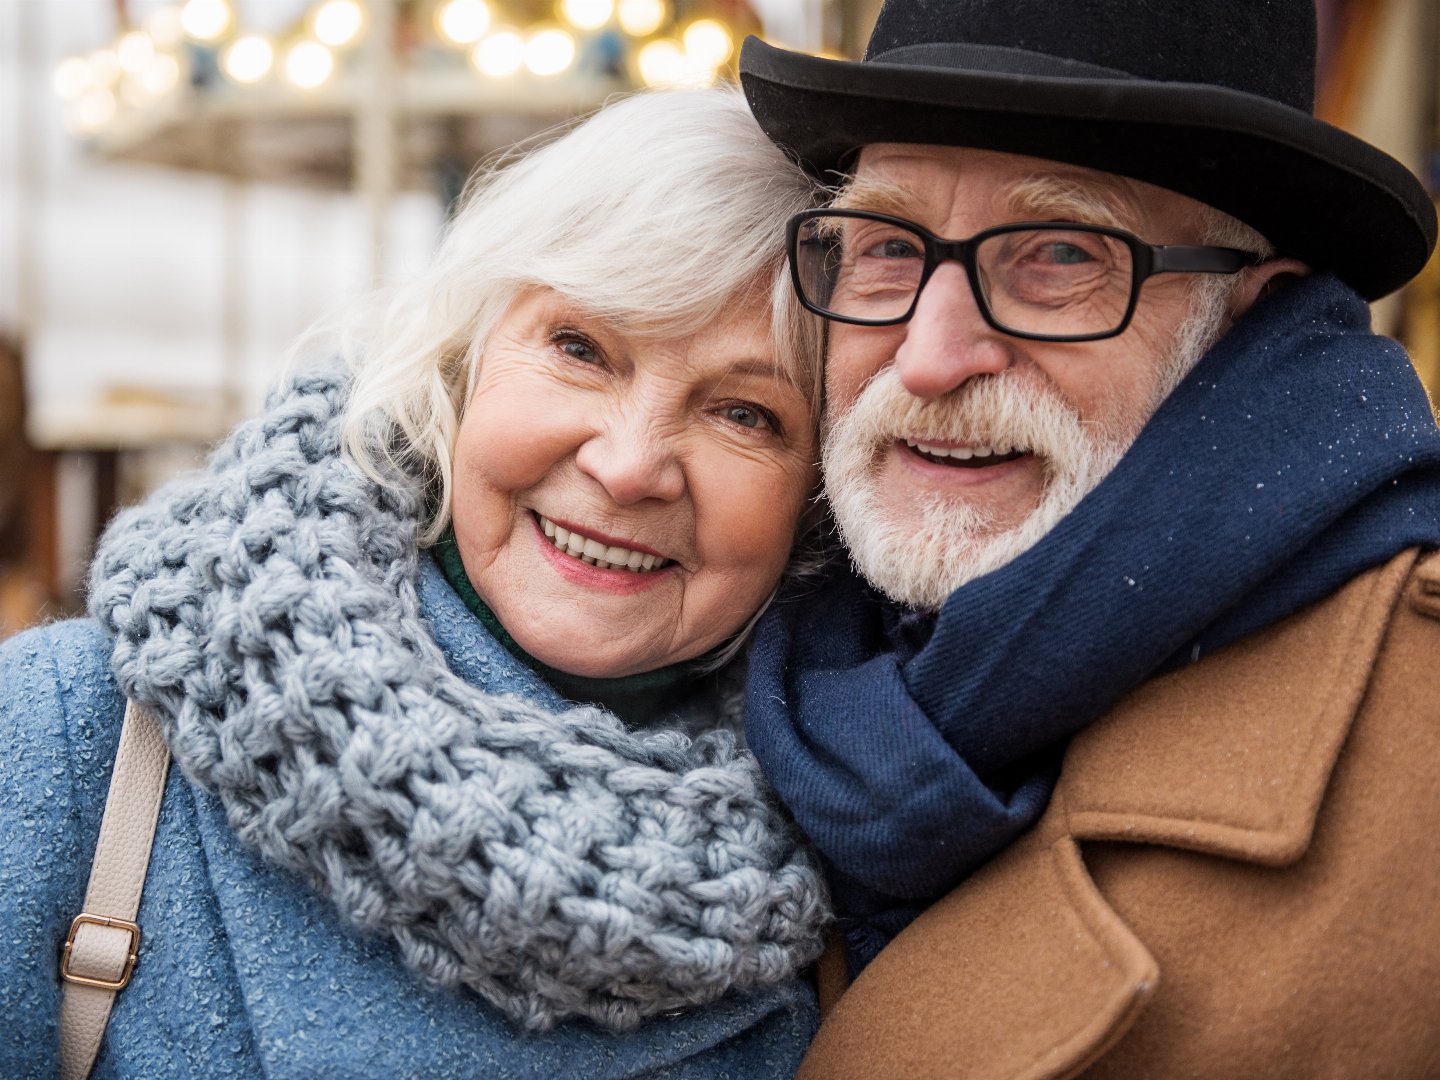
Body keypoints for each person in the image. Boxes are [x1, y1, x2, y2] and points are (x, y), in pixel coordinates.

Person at [0, 88, 832, 1079]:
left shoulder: (867, 844)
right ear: (463, 362)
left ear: (820, 499)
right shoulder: (81, 733)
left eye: (743, 413)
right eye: (581, 349)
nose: (628, 464)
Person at [737, 0, 1440, 1076]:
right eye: (886, 244)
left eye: (1060, 254)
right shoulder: (718, 632)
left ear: (1249, 316)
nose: (929, 356)